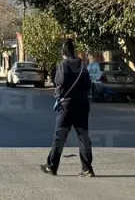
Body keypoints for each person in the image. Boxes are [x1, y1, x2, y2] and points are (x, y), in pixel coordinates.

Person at [41, 39, 95, 177]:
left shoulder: (63, 65)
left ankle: (52, 167)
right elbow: (88, 84)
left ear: (63, 52)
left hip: (67, 106)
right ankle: (87, 168)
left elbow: (60, 84)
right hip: (82, 106)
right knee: (83, 137)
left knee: (60, 137)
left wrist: (57, 96)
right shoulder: (83, 66)